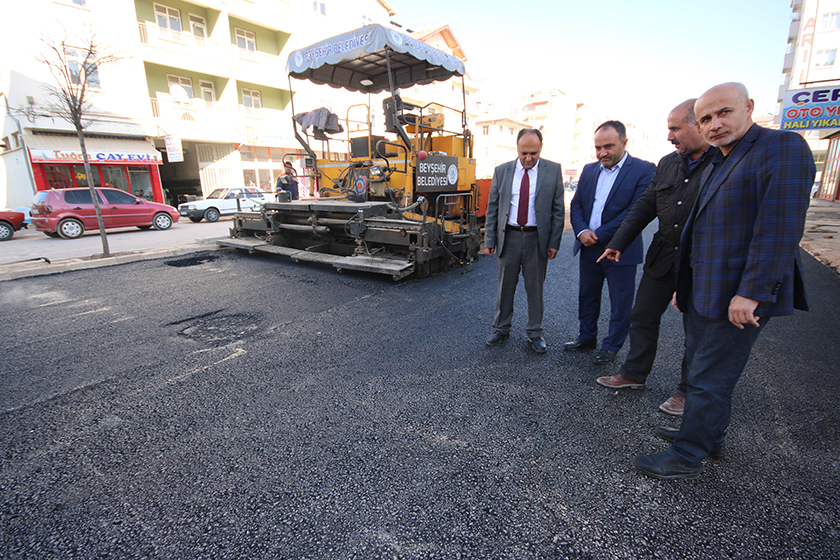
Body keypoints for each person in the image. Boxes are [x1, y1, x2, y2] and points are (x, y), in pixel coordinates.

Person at [633, 82, 815, 480]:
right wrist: (686, 285)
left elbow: (779, 229)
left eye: (724, 113)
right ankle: (707, 434)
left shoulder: (780, 148)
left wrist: (751, 292)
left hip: (738, 293)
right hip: (705, 289)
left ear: (748, 107)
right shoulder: (721, 159)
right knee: (703, 368)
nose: (715, 125)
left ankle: (686, 455)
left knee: (708, 375)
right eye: (706, 119)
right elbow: (701, 230)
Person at [595, 100, 719, 415]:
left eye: (675, 128)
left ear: (699, 124)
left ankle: (687, 391)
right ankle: (633, 374)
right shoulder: (667, 163)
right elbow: (645, 205)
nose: (669, 136)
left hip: (702, 261)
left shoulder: (723, 161)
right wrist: (619, 241)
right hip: (663, 255)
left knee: (697, 328)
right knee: (643, 316)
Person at [565, 121, 656, 364]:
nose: (602, 152)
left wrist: (600, 233)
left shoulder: (644, 170)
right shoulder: (589, 169)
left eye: (608, 146)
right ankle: (586, 337)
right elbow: (577, 205)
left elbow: (637, 210)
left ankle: (611, 346)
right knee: (588, 295)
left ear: (625, 143)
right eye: (598, 147)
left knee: (620, 300)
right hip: (588, 246)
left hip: (621, 249)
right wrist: (582, 230)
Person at [482, 128, 565, 354]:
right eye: (524, 153)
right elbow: (493, 208)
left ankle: (535, 332)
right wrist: (490, 238)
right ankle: (501, 328)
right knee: (505, 287)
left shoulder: (553, 171)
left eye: (534, 153)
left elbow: (558, 211)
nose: (528, 158)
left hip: (536, 239)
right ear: (517, 149)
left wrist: (554, 242)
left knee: (535, 288)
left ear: (540, 149)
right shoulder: (502, 171)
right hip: (508, 237)